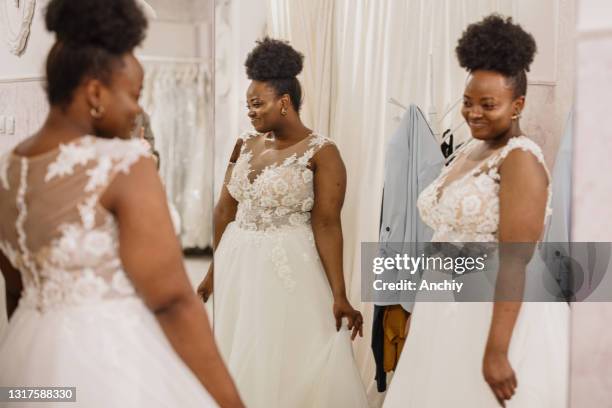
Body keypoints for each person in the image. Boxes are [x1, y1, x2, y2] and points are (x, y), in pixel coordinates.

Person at [0, 1, 243, 406]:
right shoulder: (124, 163)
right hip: (110, 363)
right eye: (134, 95)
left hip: (27, 356)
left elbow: (15, 288)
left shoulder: (8, 171)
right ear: (95, 93)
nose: (139, 111)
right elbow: (173, 302)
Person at [383, 15, 569, 407]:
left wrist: (498, 349)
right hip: (445, 304)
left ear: (517, 105)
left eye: (489, 105)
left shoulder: (521, 160)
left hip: (491, 310)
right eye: (468, 102)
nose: (473, 114)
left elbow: (516, 260)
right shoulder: (471, 149)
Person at [198, 37, 369, 408]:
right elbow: (224, 210)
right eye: (248, 106)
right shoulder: (244, 145)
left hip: (288, 268)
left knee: (285, 356)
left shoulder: (322, 153)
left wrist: (339, 293)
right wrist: (214, 270)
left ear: (285, 103)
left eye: (257, 104)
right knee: (240, 348)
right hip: (237, 263)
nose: (251, 113)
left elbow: (327, 225)